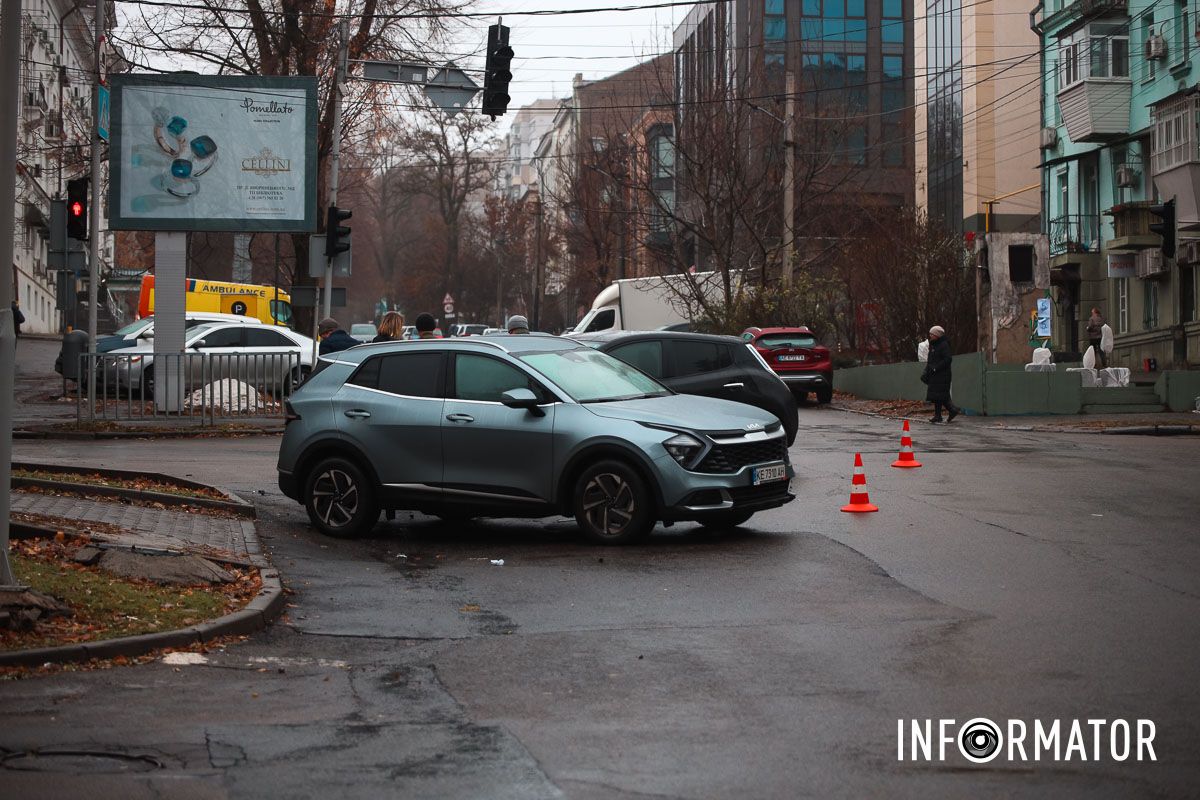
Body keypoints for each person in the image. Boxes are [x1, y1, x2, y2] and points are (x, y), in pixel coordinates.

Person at [922, 325, 960, 424]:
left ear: (937, 335)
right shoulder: (934, 345)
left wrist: (936, 367)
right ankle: (939, 415)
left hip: (942, 375)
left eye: (932, 334)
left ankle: (952, 410)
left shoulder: (943, 345)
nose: (930, 336)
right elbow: (931, 359)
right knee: (936, 396)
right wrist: (928, 370)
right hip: (935, 374)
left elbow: (948, 359)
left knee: (940, 395)